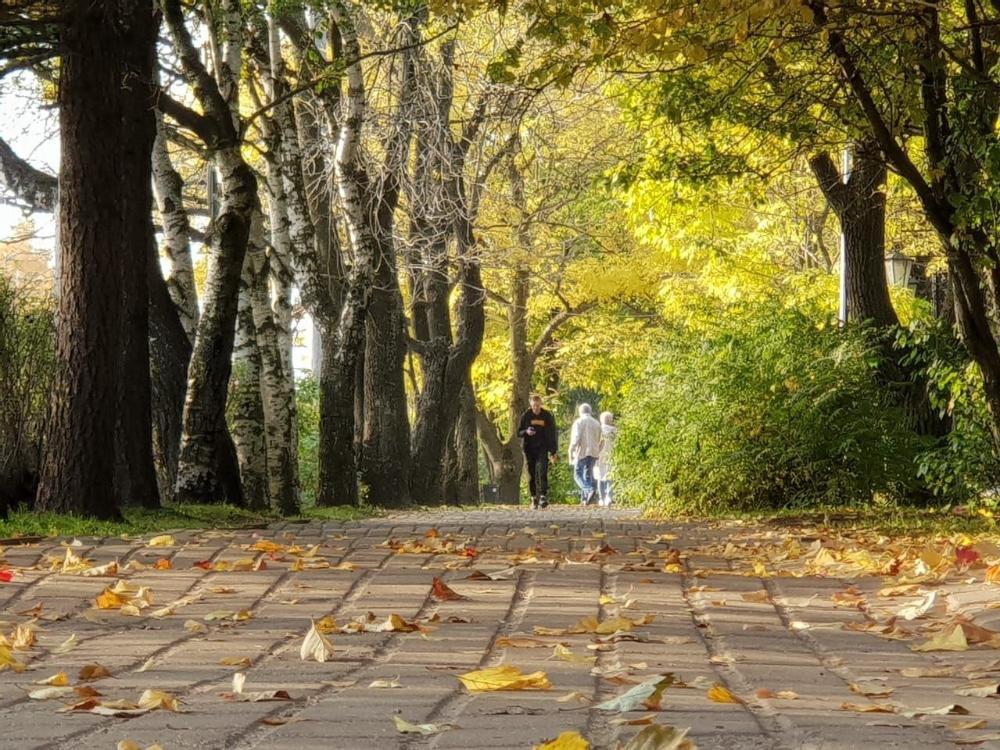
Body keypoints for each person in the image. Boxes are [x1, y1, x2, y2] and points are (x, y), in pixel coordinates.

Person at [517, 394, 558, 509]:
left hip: (542, 447)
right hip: (529, 448)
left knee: (542, 471)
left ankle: (543, 496)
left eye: (537, 405)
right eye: (534, 406)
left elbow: (552, 433)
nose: (536, 408)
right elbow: (518, 432)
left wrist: (553, 451)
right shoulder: (526, 416)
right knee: (531, 474)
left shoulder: (547, 416)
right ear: (531, 405)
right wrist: (526, 431)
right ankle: (533, 497)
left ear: (541, 404)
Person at [569, 403, 602, 505]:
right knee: (588, 475)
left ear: (580, 412)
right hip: (593, 452)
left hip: (581, 451)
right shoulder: (597, 423)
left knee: (577, 474)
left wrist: (571, 449)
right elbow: (600, 438)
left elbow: (576, 438)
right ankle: (585, 500)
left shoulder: (579, 422)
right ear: (590, 411)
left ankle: (589, 490)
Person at [594, 411, 617, 507]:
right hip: (612, 455)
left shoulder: (598, 430)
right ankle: (609, 496)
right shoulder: (615, 431)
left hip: (599, 455)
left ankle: (601, 498)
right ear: (611, 420)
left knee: (599, 476)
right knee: (610, 475)